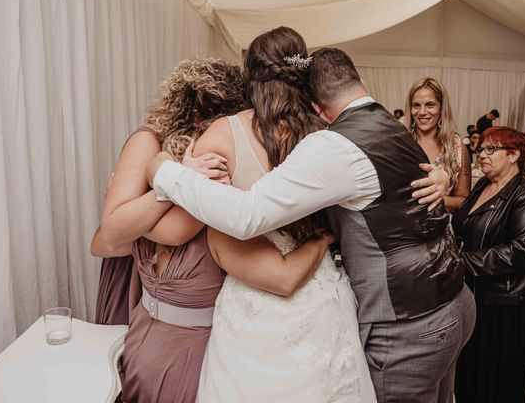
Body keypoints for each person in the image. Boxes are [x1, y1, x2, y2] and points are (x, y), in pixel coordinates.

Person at [148, 45, 475, 403]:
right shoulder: (386, 121)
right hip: (455, 303)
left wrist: (165, 171)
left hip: (410, 326)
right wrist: (442, 174)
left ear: (317, 107)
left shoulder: (333, 147)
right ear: (360, 83)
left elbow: (247, 215)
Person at [91, 58, 334, 403]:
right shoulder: (165, 150)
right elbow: (107, 238)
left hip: (198, 334)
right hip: (149, 323)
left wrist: (171, 181)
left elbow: (159, 233)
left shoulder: (215, 163)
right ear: (194, 117)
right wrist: (173, 181)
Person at [452, 126, 525, 403]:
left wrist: (459, 262)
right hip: (475, 293)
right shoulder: (483, 185)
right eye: (481, 149)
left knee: (501, 378)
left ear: (514, 155)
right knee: (473, 370)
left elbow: (520, 250)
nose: (482, 155)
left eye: (491, 149)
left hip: (508, 302)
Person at [405, 77, 471, 212]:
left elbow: (464, 199)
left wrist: (437, 198)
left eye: (430, 105)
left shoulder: (457, 148)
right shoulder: (400, 142)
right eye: (416, 105)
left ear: (442, 107)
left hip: (440, 228)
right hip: (401, 228)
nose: (422, 112)